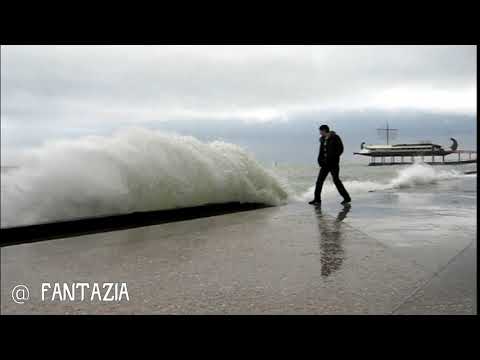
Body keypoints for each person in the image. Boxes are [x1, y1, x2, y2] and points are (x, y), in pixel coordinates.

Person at [309, 125, 351, 206]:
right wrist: (319, 161)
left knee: (336, 180)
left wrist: (334, 158)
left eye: (320, 131)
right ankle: (317, 200)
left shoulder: (335, 137)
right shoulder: (322, 139)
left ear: (324, 130)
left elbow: (340, 149)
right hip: (324, 165)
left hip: (333, 164)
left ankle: (347, 198)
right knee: (319, 182)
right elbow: (321, 151)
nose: (320, 133)